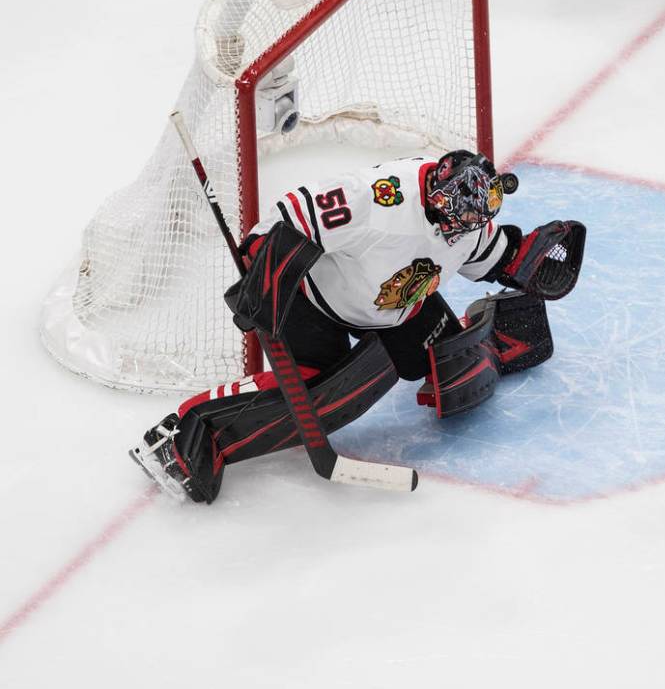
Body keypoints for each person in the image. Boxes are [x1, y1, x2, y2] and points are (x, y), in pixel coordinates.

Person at [130, 150, 586, 503]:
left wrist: (519, 258)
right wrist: (262, 272)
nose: (463, 232)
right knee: (323, 400)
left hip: (400, 307)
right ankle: (187, 433)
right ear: (439, 199)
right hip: (314, 302)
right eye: (460, 222)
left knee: (461, 372)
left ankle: (493, 331)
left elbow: (487, 256)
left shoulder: (466, 217)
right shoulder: (377, 197)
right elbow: (290, 217)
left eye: (474, 223)